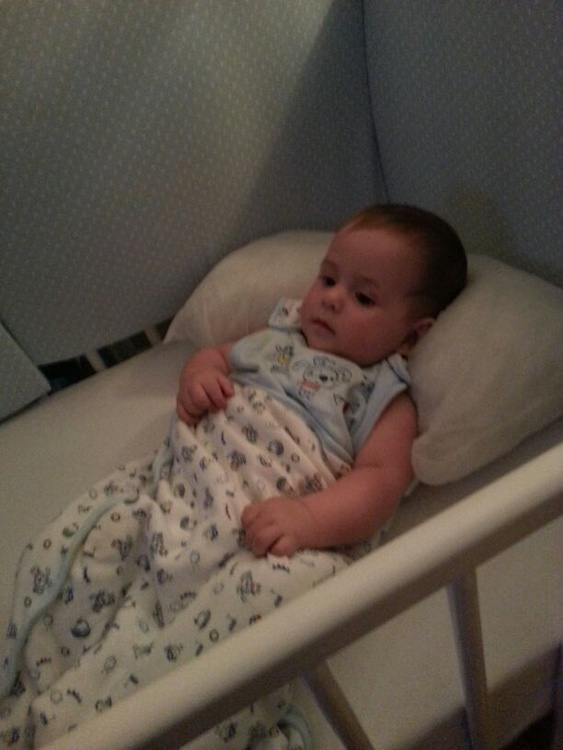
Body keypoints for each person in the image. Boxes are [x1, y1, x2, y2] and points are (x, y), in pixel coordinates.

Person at [176, 203, 467, 558]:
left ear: (410, 336)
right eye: (328, 279)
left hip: (274, 521)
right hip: (187, 479)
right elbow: (216, 356)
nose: (331, 298)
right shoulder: (280, 336)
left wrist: (307, 518)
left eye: (363, 297)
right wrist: (200, 377)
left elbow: (380, 482)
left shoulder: (383, 395)